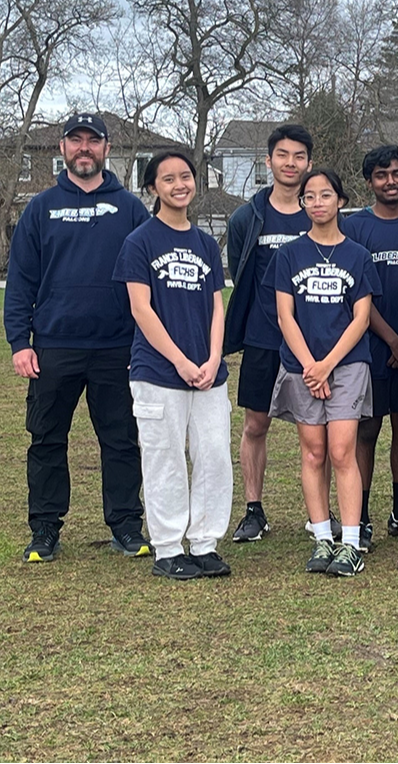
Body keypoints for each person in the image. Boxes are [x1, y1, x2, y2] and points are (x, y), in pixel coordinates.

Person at [10, 113, 151, 562]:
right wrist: (20, 341)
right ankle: (45, 530)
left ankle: (127, 525)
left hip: (118, 347)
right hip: (55, 345)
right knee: (47, 439)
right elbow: (21, 280)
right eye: (76, 140)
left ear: (107, 149)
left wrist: (142, 343)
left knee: (122, 440)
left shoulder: (130, 208)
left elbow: (149, 279)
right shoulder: (40, 207)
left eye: (94, 140)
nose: (84, 148)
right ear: (62, 148)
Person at [118, 150, 232, 579]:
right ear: (153, 188)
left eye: (186, 176)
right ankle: (167, 548)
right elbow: (141, 309)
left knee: (214, 455)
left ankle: (204, 543)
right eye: (168, 179)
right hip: (159, 372)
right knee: (164, 457)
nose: (179, 185)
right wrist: (182, 362)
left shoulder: (205, 242)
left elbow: (217, 306)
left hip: (208, 374)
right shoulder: (140, 241)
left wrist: (213, 358)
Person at [270, 169, 379, 576]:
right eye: (309, 197)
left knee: (341, 450)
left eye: (325, 195)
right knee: (313, 451)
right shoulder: (289, 254)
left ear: (340, 200)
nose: (317, 203)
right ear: (302, 204)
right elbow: (285, 315)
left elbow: (361, 317)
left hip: (346, 364)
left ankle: (350, 543)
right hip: (302, 365)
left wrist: (328, 364)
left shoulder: (357, 255)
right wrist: (309, 366)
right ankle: (321, 537)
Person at [221, 124, 314, 544]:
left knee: (314, 431)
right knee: (256, 425)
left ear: (309, 163)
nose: (290, 163)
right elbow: (241, 273)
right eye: (283, 155)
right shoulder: (247, 217)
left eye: (298, 156)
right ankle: (254, 510)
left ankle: (319, 513)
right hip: (262, 339)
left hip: (314, 343)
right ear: (268, 161)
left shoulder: (320, 211)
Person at [343, 146, 398, 550]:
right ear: (369, 181)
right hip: (370, 347)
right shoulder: (355, 228)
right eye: (380, 175)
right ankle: (361, 517)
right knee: (366, 431)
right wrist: (392, 340)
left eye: (396, 173)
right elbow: (356, 293)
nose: (390, 181)